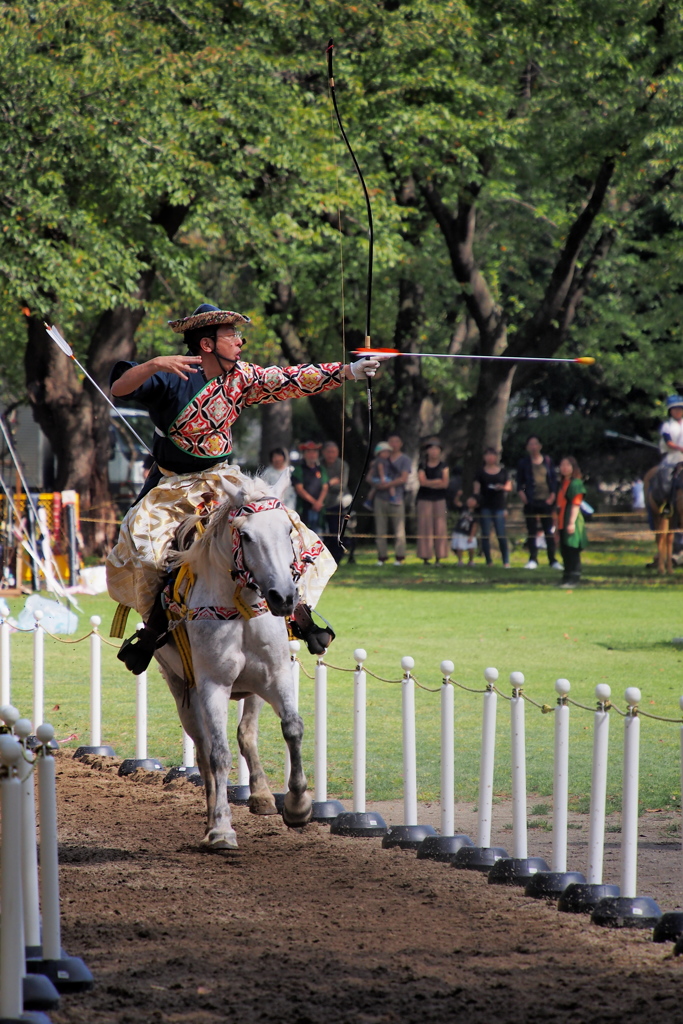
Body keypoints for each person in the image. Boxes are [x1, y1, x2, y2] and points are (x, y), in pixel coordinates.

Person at [106, 303, 380, 668]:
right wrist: (155, 364)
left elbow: (289, 379)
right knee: (145, 546)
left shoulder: (242, 377)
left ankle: (297, 611)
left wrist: (348, 371)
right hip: (173, 486)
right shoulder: (171, 376)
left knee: (288, 530)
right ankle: (155, 629)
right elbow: (119, 388)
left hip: (223, 479)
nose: (240, 341)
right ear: (206, 344)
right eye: (231, 335)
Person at [516, 435, 562, 570]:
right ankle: (532, 559)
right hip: (530, 501)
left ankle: (552, 560)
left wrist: (553, 495)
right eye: (530, 444)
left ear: (540, 446)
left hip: (546, 501)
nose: (533, 447)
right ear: (527, 447)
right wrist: (522, 495)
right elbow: (519, 482)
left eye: (536, 444)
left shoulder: (547, 461)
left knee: (548, 531)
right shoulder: (523, 463)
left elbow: (553, 480)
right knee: (532, 531)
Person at [367, 438, 411, 565]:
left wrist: (387, 485)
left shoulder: (405, 460)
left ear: (401, 444)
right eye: (390, 442)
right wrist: (376, 483)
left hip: (397, 498)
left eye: (397, 441)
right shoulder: (379, 461)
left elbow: (403, 478)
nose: (393, 444)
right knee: (380, 529)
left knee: (399, 530)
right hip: (380, 498)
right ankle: (382, 557)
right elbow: (369, 477)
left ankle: (399, 557)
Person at [473, 447, 511, 567]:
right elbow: (476, 489)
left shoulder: (503, 472)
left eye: (492, 455)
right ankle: (488, 561)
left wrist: (502, 487)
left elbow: (509, 487)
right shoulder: (480, 472)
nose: (490, 457)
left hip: (499, 506)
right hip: (485, 506)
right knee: (485, 534)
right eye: (487, 455)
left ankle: (506, 561)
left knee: (501, 533)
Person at [416, 440, 449, 565]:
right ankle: (425, 557)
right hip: (424, 499)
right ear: (427, 451)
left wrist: (430, 483)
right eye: (431, 449)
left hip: (439, 499)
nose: (434, 451)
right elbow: (422, 482)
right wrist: (437, 482)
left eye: (436, 449)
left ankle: (439, 557)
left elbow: (445, 483)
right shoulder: (422, 465)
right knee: (425, 527)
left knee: (439, 528)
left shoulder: (443, 466)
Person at [556, 456, 587, 588]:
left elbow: (576, 503)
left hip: (571, 518)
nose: (564, 468)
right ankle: (566, 576)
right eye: (562, 465)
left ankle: (574, 577)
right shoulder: (561, 483)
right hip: (561, 519)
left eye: (568, 465)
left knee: (572, 549)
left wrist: (571, 522)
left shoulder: (576, 483)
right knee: (564, 550)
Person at [320, 441, 350, 565]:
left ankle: (337, 557)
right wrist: (329, 484)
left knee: (335, 531)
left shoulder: (342, 465)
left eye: (333, 452)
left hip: (336, 502)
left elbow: (342, 486)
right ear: (324, 453)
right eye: (328, 452)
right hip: (320, 503)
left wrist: (324, 486)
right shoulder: (319, 464)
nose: (331, 455)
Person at [292, 441, 328, 531]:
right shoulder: (298, 469)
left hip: (319, 507)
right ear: (304, 454)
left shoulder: (321, 469)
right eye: (309, 452)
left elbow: (325, 486)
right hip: (304, 507)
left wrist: (319, 502)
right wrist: (314, 502)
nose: (312, 455)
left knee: (318, 532)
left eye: (314, 452)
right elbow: (299, 489)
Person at [451, 495, 478, 566]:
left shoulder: (476, 514)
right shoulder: (463, 508)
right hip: (460, 532)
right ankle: (460, 561)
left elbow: (474, 526)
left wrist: (471, 536)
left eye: (473, 500)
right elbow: (456, 502)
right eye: (469, 499)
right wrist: (458, 495)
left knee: (471, 548)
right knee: (459, 547)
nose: (470, 501)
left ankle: (471, 561)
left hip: (469, 533)